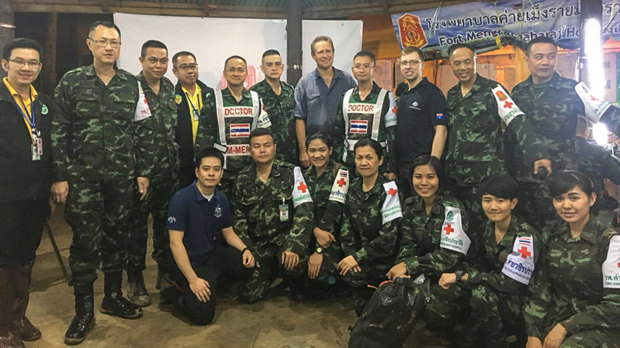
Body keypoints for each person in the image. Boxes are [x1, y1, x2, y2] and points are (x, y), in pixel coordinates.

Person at [51, 21, 152, 345]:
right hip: (82, 179)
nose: (109, 47)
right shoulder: (72, 82)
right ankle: (84, 311)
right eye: (103, 41)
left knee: (116, 237)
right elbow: (58, 131)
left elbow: (141, 130)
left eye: (115, 42)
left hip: (121, 178)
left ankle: (112, 296)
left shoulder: (131, 85)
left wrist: (142, 171)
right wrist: (60, 176)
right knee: (84, 243)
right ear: (90, 44)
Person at [439, 174, 541, 347]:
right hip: (494, 287)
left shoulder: (524, 237)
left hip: (521, 299)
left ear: (513, 203)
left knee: (481, 294)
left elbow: (509, 283)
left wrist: (461, 277)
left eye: (500, 201)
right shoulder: (487, 227)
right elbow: (479, 263)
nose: (493, 207)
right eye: (487, 200)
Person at [524, 171, 620, 348]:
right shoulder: (551, 234)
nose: (566, 205)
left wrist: (565, 327)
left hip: (599, 324)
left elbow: (615, 306)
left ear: (591, 199)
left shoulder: (611, 242)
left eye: (574, 198)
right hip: (558, 316)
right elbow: (541, 286)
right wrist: (533, 332)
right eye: (559, 199)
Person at [163, 147, 255, 325]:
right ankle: (173, 290)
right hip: (187, 263)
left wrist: (245, 249)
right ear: (197, 171)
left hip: (210, 257)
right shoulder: (181, 200)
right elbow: (175, 244)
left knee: (247, 266)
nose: (211, 174)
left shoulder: (220, 199)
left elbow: (228, 233)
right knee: (203, 316)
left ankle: (211, 285)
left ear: (221, 173)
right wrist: (193, 280)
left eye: (216, 169)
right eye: (206, 169)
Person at [386, 155, 471, 344]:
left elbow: (450, 257)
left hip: (451, 273)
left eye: (430, 177)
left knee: (435, 308)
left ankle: (455, 328)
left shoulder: (452, 208)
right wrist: (404, 269)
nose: (424, 183)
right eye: (418, 177)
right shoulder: (410, 205)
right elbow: (407, 243)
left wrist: (410, 265)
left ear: (439, 178)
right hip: (423, 270)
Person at [0, 38, 49, 348]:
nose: (26, 67)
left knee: (26, 257)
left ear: (40, 67)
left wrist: (56, 181)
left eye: (32, 62)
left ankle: (18, 316)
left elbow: (52, 147)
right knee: (4, 259)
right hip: (5, 196)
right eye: (20, 61)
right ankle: (3, 325)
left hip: (36, 194)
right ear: (5, 64)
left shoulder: (44, 102)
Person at [509, 36, 585, 230]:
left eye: (551, 56)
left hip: (561, 174)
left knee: (560, 228)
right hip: (526, 175)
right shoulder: (518, 92)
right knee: (528, 228)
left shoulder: (572, 89)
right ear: (527, 59)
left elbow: (591, 119)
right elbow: (513, 130)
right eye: (539, 56)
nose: (545, 62)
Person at [444, 43, 517, 236]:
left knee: (488, 226)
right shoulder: (451, 94)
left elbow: (514, 123)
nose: (463, 68)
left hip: (487, 175)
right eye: (457, 63)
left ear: (476, 62)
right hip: (459, 175)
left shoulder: (494, 89)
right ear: (450, 65)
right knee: (464, 226)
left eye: (467, 62)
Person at [126, 40, 179, 307]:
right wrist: (138, 171)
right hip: (141, 175)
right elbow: (126, 133)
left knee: (165, 225)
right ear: (141, 60)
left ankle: (165, 273)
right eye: (153, 60)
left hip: (168, 173)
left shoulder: (169, 87)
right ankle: (135, 281)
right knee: (136, 229)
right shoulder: (131, 88)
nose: (159, 66)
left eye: (163, 61)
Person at [233, 128, 314, 302]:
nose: (262, 150)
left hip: (285, 239)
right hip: (259, 244)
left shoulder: (292, 172)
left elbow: (304, 210)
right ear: (249, 150)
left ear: (274, 147)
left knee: (297, 267)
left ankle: (288, 276)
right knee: (248, 295)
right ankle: (270, 271)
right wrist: (248, 250)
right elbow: (238, 220)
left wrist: (294, 245)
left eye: (266, 145)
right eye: (257, 146)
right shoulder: (242, 179)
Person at [339, 138, 402, 315]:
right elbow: (346, 227)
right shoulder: (352, 188)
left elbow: (389, 237)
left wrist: (358, 257)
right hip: (359, 258)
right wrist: (351, 255)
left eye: (369, 157)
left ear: (380, 160)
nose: (364, 162)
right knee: (350, 273)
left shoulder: (390, 190)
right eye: (359, 158)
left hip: (383, 259)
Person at [204, 55, 270, 201]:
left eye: (240, 70)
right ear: (224, 73)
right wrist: (210, 171)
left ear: (246, 73)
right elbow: (204, 139)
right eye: (231, 70)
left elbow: (266, 135)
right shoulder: (214, 99)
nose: (236, 73)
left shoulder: (256, 99)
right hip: (223, 173)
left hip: (250, 171)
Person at [334, 50, 397, 180]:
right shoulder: (346, 97)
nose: (362, 70)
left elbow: (392, 136)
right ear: (353, 70)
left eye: (366, 66)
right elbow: (337, 132)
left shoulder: (386, 97)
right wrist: (339, 161)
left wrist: (392, 168)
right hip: (350, 165)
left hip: (378, 166)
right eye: (358, 66)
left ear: (374, 69)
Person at [294, 35, 356, 167]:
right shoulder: (305, 83)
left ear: (333, 53)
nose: (325, 55)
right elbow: (299, 118)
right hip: (316, 151)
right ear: (313, 56)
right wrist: (303, 151)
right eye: (320, 52)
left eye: (328, 51)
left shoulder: (347, 80)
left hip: (343, 149)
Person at [395, 46, 447, 198]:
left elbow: (441, 130)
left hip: (423, 169)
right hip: (403, 167)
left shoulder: (432, 93)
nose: (408, 66)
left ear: (422, 65)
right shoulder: (403, 95)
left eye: (413, 62)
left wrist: (433, 164)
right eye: (404, 63)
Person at [303, 133, 349, 294]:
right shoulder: (305, 176)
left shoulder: (341, 173)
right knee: (293, 266)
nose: (317, 155)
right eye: (312, 150)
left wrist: (319, 250)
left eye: (322, 150)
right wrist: (315, 231)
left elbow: (333, 212)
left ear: (330, 150)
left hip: (332, 237)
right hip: (312, 233)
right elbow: (303, 210)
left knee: (321, 275)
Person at [172, 51, 216, 188]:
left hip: (207, 160)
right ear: (175, 71)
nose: (190, 71)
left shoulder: (209, 93)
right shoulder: (171, 96)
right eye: (184, 67)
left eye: (193, 66)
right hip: (183, 161)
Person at [250, 49, 298, 165]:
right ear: (262, 68)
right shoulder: (254, 93)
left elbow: (296, 120)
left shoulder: (290, 90)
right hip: (266, 155)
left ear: (282, 67)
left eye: (277, 64)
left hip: (291, 153)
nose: (274, 68)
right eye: (269, 65)